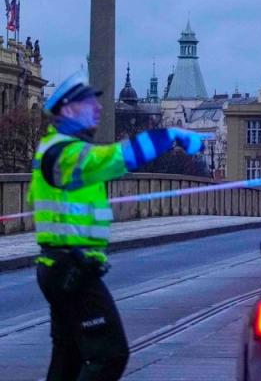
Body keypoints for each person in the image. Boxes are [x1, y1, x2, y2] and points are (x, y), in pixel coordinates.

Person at [29, 72, 207, 381]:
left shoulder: (55, 149)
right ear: (68, 110)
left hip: (61, 267)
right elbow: (117, 157)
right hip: (71, 269)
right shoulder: (65, 155)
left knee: (68, 359)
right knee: (110, 355)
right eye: (89, 104)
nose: (98, 110)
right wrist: (171, 136)